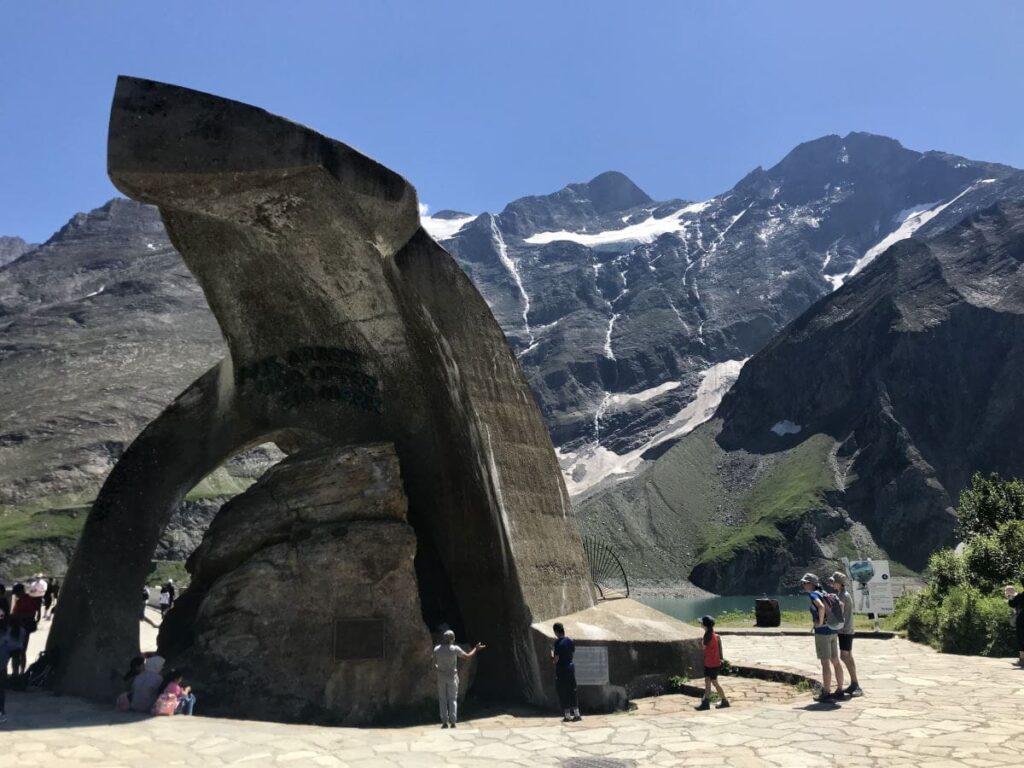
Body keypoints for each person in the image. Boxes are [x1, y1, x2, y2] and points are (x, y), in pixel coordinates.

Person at [799, 573, 844, 702]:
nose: (803, 585)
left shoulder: (814, 594)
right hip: (833, 630)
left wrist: (819, 622)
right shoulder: (826, 593)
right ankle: (840, 690)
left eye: (805, 583)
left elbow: (821, 606)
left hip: (822, 632)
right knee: (835, 660)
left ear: (811, 584)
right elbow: (841, 605)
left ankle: (826, 692)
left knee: (825, 662)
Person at [432, 629, 484, 728]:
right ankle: (453, 721)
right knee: (452, 699)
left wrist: (438, 668)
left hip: (441, 677)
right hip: (452, 676)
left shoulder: (437, 649)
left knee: (442, 699)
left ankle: (444, 722)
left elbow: (434, 663)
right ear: (452, 639)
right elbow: (468, 656)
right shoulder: (455, 649)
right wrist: (476, 649)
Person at [829, 571, 863, 696]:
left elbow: (838, 612)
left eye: (834, 582)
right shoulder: (842, 594)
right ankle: (854, 683)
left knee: (845, 656)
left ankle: (855, 683)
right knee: (847, 655)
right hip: (845, 630)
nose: (832, 584)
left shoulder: (843, 595)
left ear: (840, 583)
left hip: (845, 630)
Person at [694, 615, 730, 710]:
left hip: (710, 664)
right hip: (713, 663)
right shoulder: (713, 634)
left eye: (701, 623)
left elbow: (704, 648)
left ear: (704, 625)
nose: (700, 624)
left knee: (713, 682)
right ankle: (706, 702)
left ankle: (723, 701)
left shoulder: (707, 636)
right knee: (709, 682)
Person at [8, 583, 41, 676]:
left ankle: (21, 672)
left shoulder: (28, 600)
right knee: (18, 651)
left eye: (17, 593)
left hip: (25, 627)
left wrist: (17, 616)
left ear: (21, 591)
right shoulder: (20, 601)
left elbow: (31, 614)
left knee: (22, 651)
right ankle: (17, 672)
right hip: (17, 628)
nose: (16, 595)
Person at [552, 622, 581, 722]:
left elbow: (556, 659)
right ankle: (577, 714)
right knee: (573, 690)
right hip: (571, 668)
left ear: (556, 631)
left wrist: (552, 659)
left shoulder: (557, 643)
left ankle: (567, 716)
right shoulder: (570, 641)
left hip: (561, 670)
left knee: (563, 691)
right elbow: (572, 652)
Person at [0, 617, 26, 724]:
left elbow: (4, 642)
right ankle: (16, 677)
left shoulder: (7, 631)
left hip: (7, 652)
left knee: (4, 666)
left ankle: (9, 678)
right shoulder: (22, 630)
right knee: (15, 665)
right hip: (17, 650)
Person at [1004, 584, 1024, 666]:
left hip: (1022, 619)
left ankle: (1022, 659)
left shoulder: (1021, 596)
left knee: (1021, 637)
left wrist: (1010, 595)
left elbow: (1012, 604)